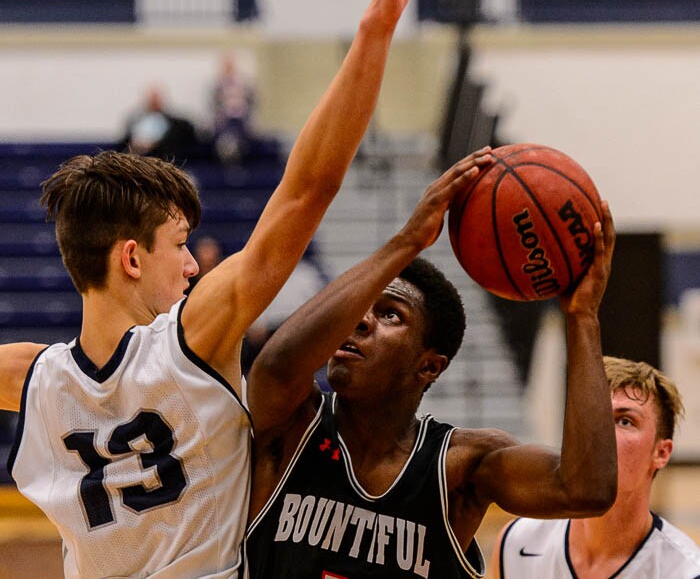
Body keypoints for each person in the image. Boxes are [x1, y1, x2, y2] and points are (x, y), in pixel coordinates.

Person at [0, 0, 421, 578]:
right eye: (179, 248)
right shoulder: (192, 338)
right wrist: (375, 33)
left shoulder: (37, 379)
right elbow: (307, 190)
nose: (194, 266)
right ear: (131, 258)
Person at [244, 147, 618, 578]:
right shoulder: (294, 426)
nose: (360, 321)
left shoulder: (460, 466)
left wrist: (582, 317)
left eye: (390, 315)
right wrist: (407, 241)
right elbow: (274, 367)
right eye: (362, 307)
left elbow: (586, 490)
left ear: (430, 366)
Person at [491, 356, 700, 579]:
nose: (601, 432)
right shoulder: (516, 543)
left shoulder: (685, 572)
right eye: (593, 416)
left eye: (625, 421)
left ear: (661, 453)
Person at [120, 84, 198, 162]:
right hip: (136, 159)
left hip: (161, 160)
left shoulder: (176, 124)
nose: (154, 103)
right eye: (151, 100)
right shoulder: (136, 121)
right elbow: (126, 141)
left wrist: (155, 144)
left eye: (156, 100)